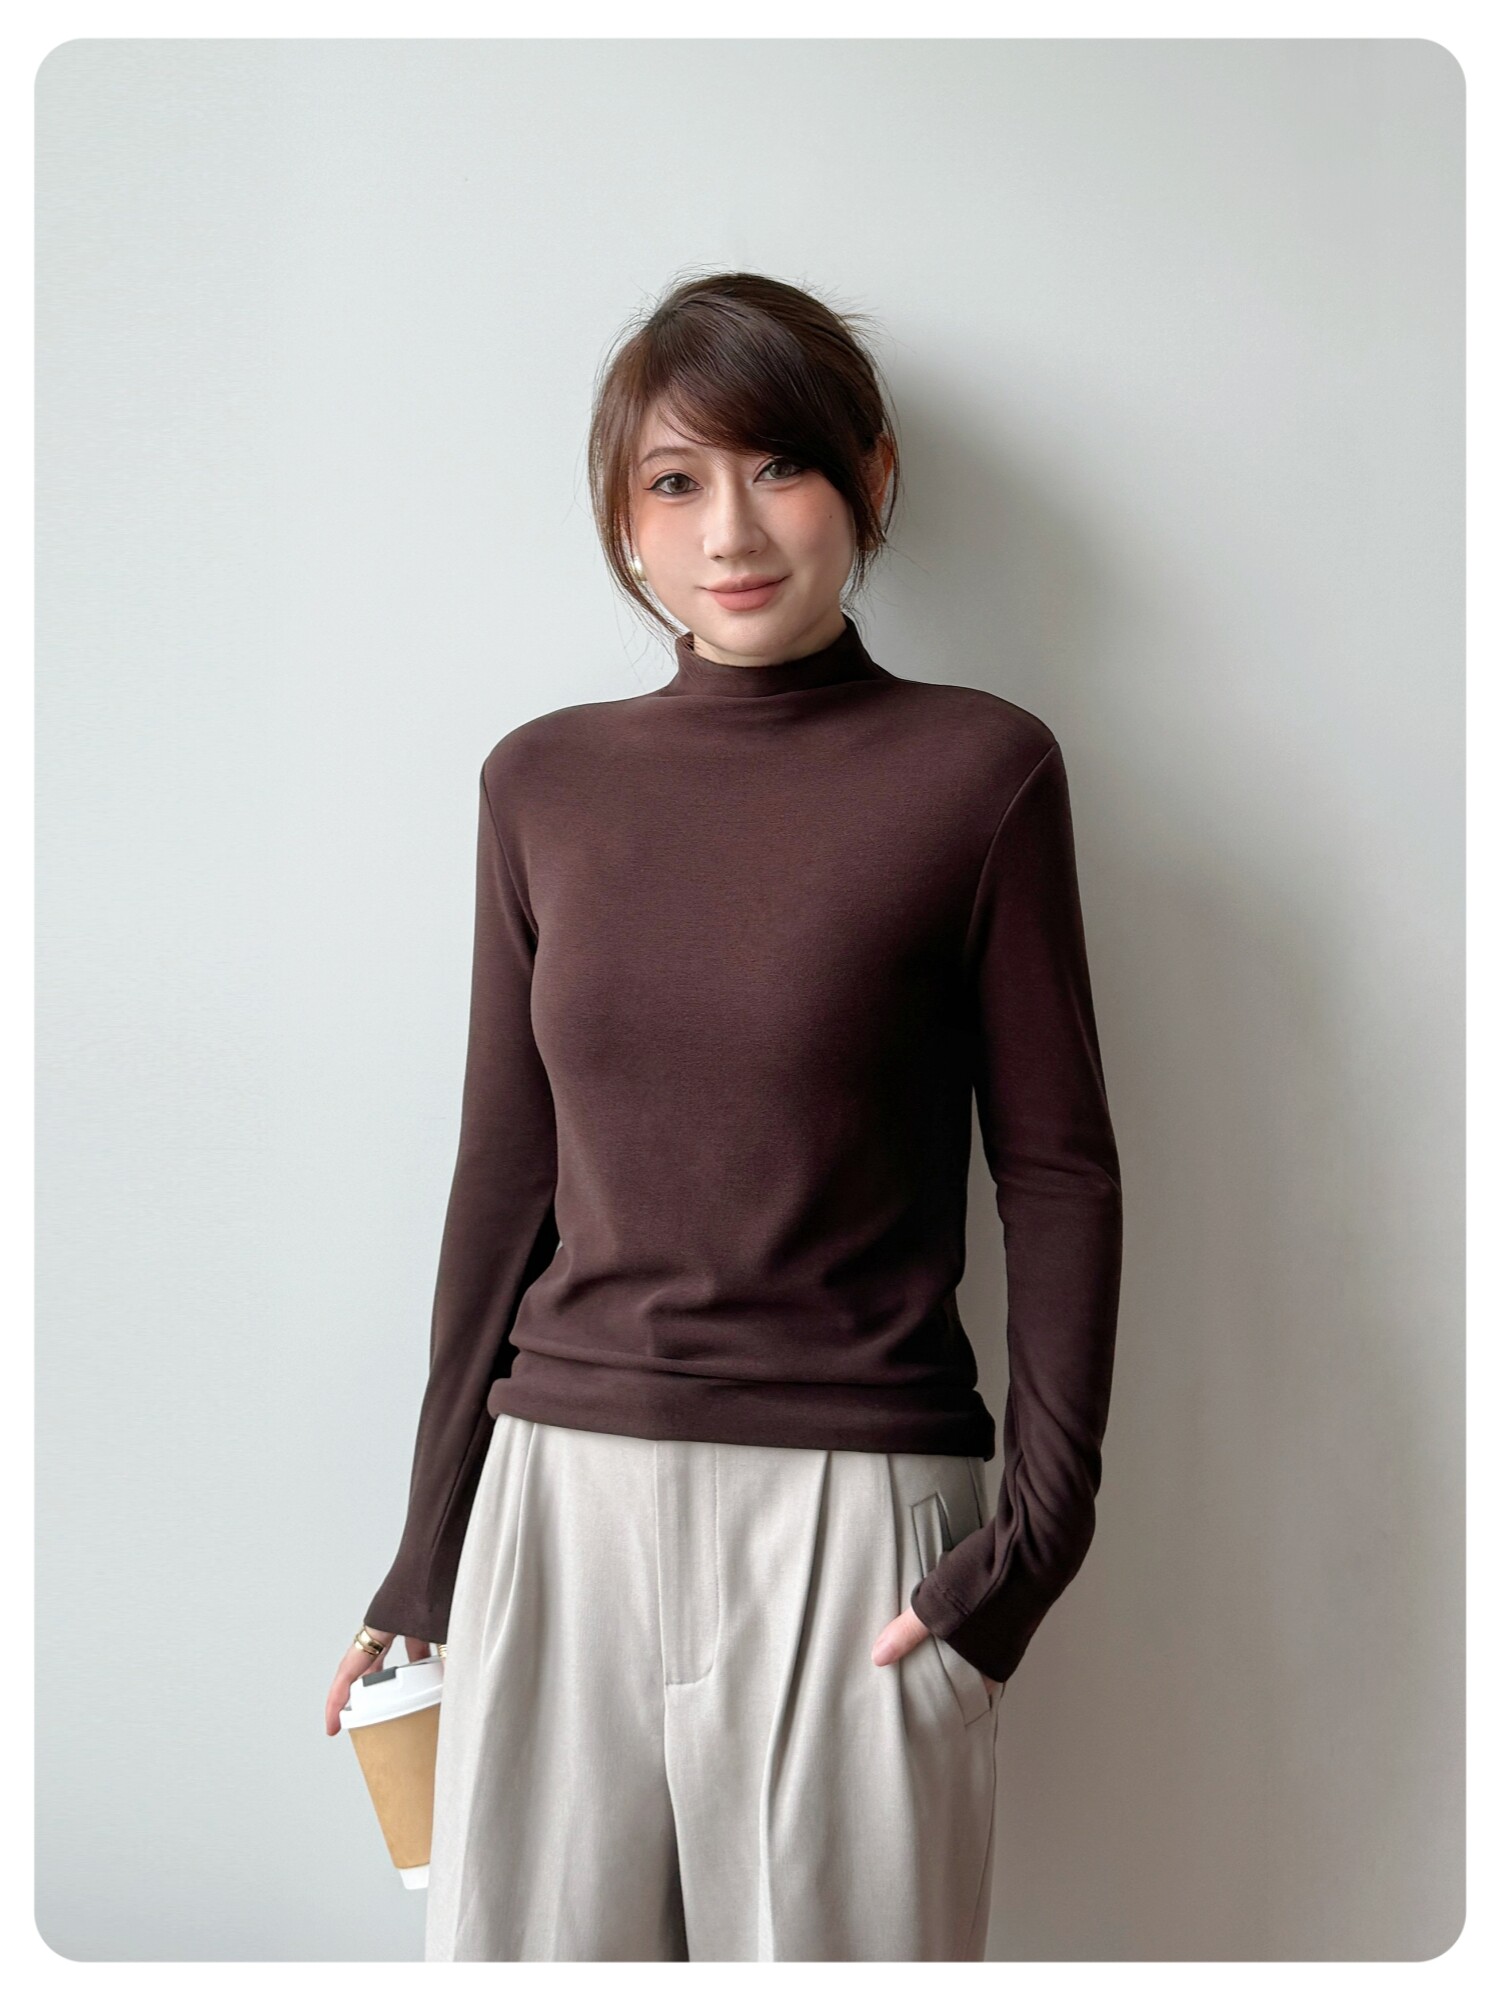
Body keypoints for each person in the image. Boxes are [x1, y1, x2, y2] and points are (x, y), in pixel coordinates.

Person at [323, 270, 1124, 1961]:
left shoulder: (980, 772)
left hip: (854, 1509)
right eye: (675, 482)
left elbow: (1056, 1171)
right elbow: (506, 1177)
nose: (731, 532)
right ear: (624, 520)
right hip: (558, 1502)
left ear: (872, 478)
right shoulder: (540, 782)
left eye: (781, 466)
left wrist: (1035, 1548)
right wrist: (425, 1557)